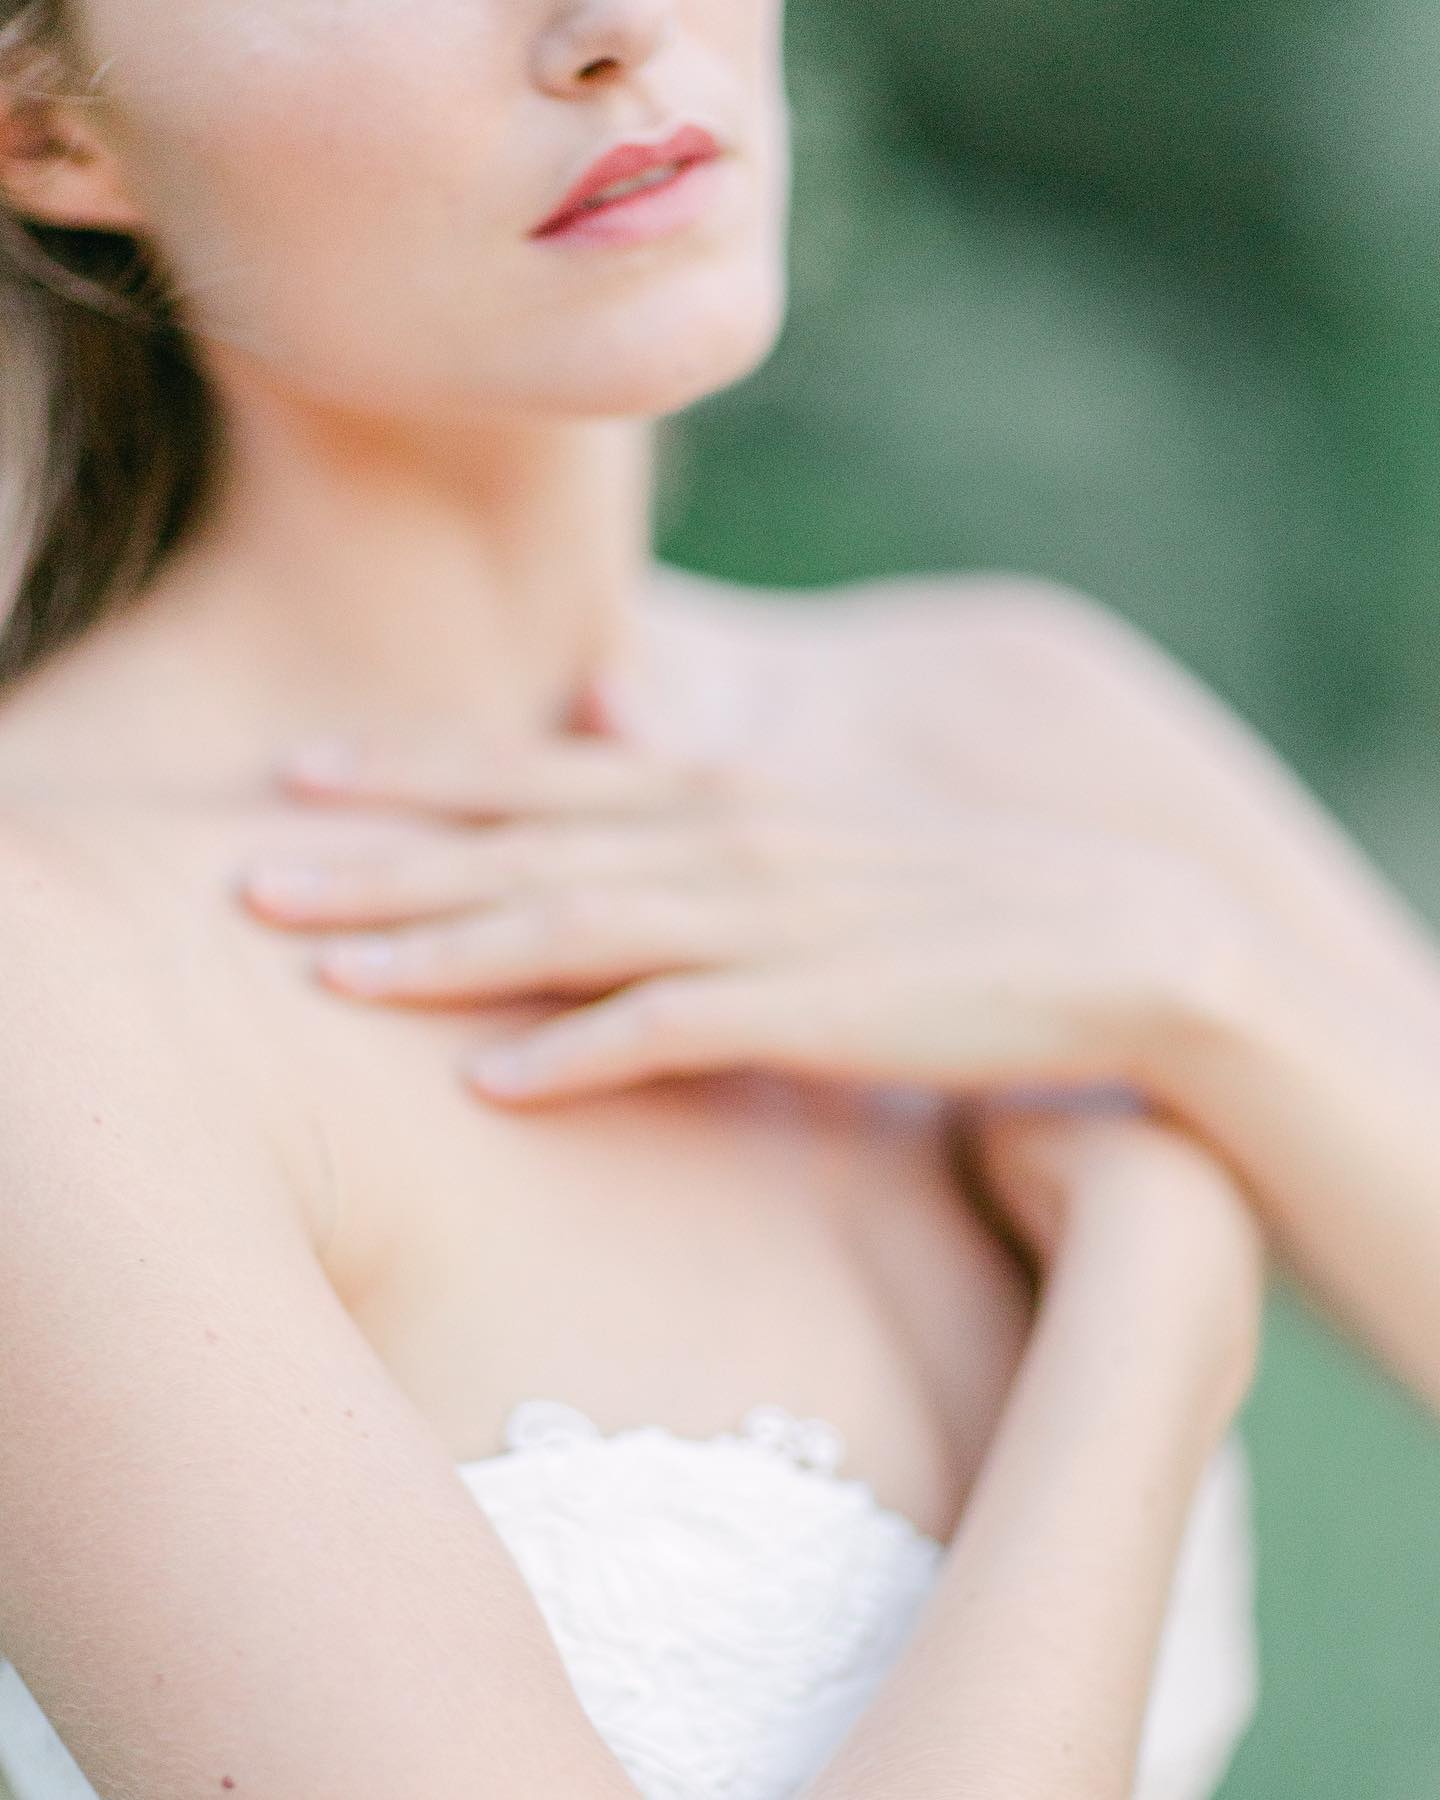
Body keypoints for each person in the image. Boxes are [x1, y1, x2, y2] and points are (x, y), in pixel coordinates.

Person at [0, 1, 1435, 1796]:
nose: (611, 26)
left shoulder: (1013, 733)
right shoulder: (51, 976)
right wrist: (1155, 1299)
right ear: (47, 127)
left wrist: (1211, 988)